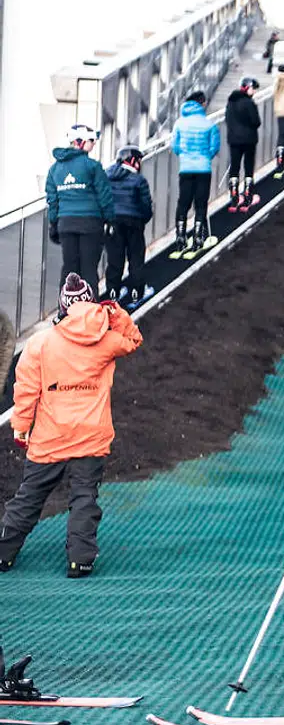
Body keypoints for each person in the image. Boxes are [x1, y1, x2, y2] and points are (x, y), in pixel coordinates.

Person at [0, 274, 142, 577]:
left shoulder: (41, 343)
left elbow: (26, 390)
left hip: (51, 437)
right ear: (90, 302)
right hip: (91, 437)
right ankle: (80, 561)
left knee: (30, 496)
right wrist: (114, 313)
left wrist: (21, 427)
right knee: (84, 498)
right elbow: (133, 339)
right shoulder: (105, 340)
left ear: (63, 306)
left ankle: (3, 553)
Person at [45, 125, 113, 295]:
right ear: (80, 142)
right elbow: (104, 195)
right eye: (91, 141)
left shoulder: (54, 169)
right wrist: (111, 220)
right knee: (89, 269)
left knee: (69, 268)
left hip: (65, 224)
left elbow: (52, 201)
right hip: (91, 223)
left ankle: (65, 311)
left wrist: (54, 223)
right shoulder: (93, 166)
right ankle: (90, 311)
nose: (94, 144)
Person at [169, 90, 222, 259]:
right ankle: (198, 238)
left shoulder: (179, 123)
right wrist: (205, 157)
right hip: (203, 169)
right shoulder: (209, 124)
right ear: (202, 103)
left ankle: (180, 238)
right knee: (200, 203)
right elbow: (214, 148)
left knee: (183, 203)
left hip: (185, 168)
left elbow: (175, 147)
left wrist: (185, 156)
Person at [103, 145, 154, 309]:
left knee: (114, 260)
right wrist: (142, 220)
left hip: (113, 223)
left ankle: (113, 296)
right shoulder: (139, 180)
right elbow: (146, 206)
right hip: (134, 222)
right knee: (136, 258)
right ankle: (137, 295)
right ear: (133, 160)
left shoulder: (107, 176)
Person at [224, 77, 262, 210]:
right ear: (246, 88)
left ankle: (233, 197)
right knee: (248, 167)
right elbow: (256, 122)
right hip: (249, 139)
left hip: (233, 139)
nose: (254, 91)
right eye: (253, 89)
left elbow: (227, 119)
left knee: (234, 166)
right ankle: (248, 196)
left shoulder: (230, 102)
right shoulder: (249, 103)